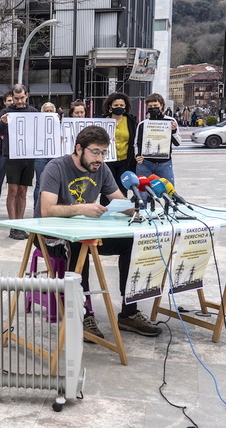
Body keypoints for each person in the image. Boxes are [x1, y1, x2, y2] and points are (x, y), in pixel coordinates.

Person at [35, 125, 162, 338]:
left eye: (104, 152)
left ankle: (129, 313)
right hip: (50, 235)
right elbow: (46, 210)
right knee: (78, 244)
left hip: (86, 230)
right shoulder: (55, 168)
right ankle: (82, 315)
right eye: (95, 152)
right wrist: (81, 208)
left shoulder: (101, 169)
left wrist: (136, 208)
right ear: (78, 149)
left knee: (132, 241)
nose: (100, 158)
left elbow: (119, 201)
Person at [0, 84, 38, 240]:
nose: (19, 101)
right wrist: (2, 123)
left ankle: (20, 224)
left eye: (21, 98)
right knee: (12, 191)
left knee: (23, 192)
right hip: (12, 156)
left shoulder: (33, 112)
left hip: (28, 156)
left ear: (26, 95)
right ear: (12, 97)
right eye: (16, 98)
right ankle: (13, 226)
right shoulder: (6, 112)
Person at [135, 93, 181, 184]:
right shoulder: (143, 124)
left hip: (164, 163)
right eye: (150, 106)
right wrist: (137, 156)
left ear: (161, 105)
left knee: (169, 192)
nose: (153, 108)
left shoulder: (170, 121)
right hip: (145, 163)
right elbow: (137, 142)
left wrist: (174, 131)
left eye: (155, 105)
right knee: (143, 193)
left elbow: (178, 143)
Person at [101, 92, 138, 198]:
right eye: (116, 105)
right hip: (107, 161)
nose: (119, 107)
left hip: (125, 162)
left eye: (121, 105)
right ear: (110, 106)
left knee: (122, 189)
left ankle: (122, 210)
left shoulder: (131, 121)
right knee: (107, 188)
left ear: (125, 106)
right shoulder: (103, 120)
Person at [32, 101, 58, 208]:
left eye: (51, 111)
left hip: (54, 155)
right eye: (46, 111)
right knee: (40, 182)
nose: (49, 112)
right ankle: (36, 207)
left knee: (54, 183)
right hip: (41, 156)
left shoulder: (59, 124)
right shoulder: (36, 125)